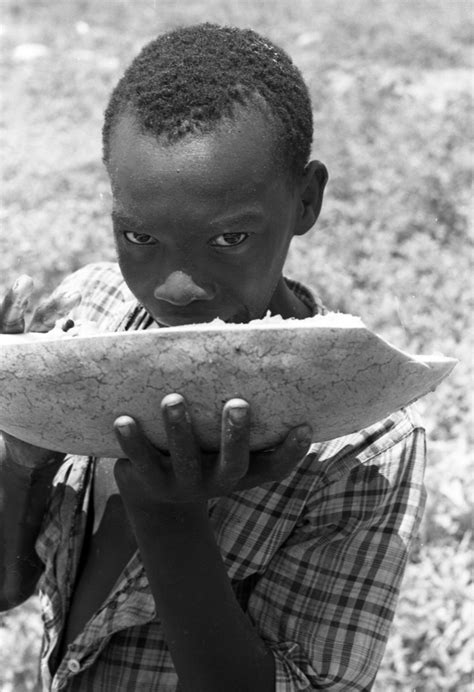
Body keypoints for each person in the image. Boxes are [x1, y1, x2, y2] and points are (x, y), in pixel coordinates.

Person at [0, 23, 426, 691]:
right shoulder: (91, 314)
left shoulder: (360, 443)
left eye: (230, 237)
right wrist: (23, 437)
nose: (178, 287)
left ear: (306, 200)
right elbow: (9, 587)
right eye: (139, 235)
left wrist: (169, 517)